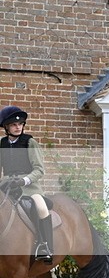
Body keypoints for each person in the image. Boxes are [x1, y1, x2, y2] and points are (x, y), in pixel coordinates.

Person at [0, 105, 54, 263]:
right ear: (6, 127)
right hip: (6, 185)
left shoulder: (29, 142)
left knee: (41, 208)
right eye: (14, 125)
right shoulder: (1, 143)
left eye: (20, 124)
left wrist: (24, 180)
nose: (18, 127)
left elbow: (39, 169)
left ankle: (45, 246)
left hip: (29, 187)